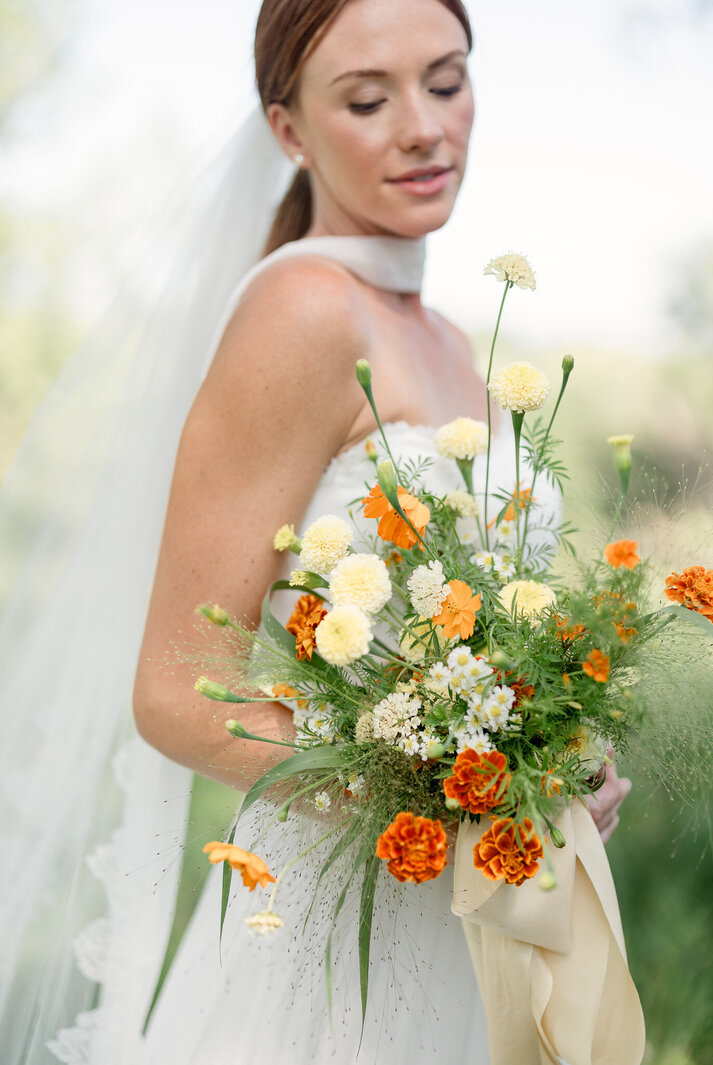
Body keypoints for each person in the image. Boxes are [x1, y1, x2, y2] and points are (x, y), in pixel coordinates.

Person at [0, 0, 631, 1061]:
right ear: (289, 131)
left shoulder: (449, 338)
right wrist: (428, 788)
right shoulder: (301, 313)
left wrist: (553, 757)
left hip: (475, 922)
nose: (425, 127)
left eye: (445, 79)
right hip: (336, 935)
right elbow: (171, 691)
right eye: (367, 99)